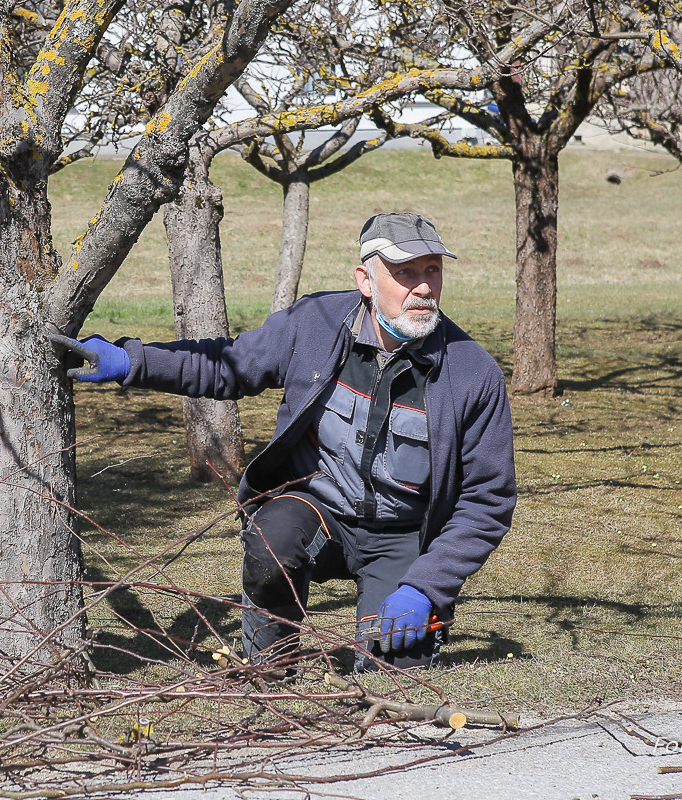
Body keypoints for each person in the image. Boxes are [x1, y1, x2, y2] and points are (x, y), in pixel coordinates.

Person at [60, 212, 516, 671]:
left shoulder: (473, 373)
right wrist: (130, 362)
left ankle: (395, 625)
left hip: (405, 535)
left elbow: (488, 500)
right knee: (270, 541)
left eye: (432, 270)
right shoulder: (315, 324)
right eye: (405, 273)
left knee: (392, 671)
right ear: (365, 279)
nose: (422, 288)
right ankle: (271, 664)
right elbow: (227, 366)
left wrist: (426, 587)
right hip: (318, 511)